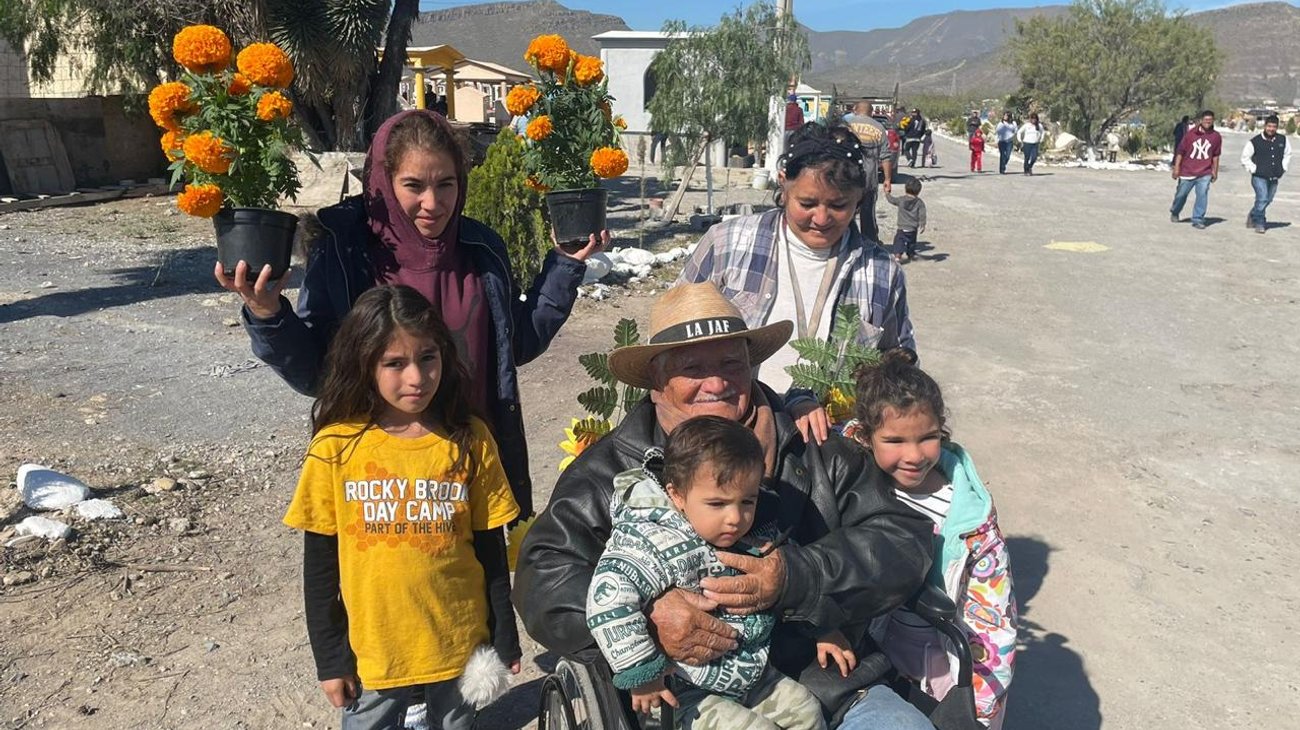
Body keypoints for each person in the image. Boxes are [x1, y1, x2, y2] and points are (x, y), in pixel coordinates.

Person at [513, 282, 935, 730]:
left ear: (752, 367)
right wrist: (646, 618)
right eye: (693, 367)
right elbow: (544, 577)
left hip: (825, 679)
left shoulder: (812, 447)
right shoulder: (610, 470)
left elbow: (903, 540)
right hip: (677, 695)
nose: (715, 384)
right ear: (657, 379)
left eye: (731, 363)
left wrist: (801, 578)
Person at [218, 110, 604, 520]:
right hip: (382, 486)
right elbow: (318, 374)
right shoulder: (346, 254)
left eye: (446, 185)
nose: (432, 204)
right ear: (383, 184)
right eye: (413, 186)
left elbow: (517, 344)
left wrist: (564, 266)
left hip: (472, 470)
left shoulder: (481, 249)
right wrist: (267, 312)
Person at [284, 285, 522, 729]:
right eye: (395, 363)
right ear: (364, 364)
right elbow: (319, 567)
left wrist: (504, 639)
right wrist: (330, 660)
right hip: (375, 655)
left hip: (458, 646)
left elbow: (490, 551)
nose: (416, 377)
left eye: (427, 358)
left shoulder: (469, 440)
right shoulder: (336, 447)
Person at [588, 416, 837, 729]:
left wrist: (821, 627)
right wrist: (642, 674)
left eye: (747, 500)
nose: (735, 517)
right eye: (717, 503)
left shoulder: (756, 531)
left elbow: (788, 581)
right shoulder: (649, 540)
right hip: (683, 691)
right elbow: (608, 603)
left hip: (749, 671)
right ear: (677, 495)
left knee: (806, 710)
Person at [678, 122, 916, 443]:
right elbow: (671, 335)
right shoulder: (728, 244)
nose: (821, 218)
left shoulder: (881, 272)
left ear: (859, 199)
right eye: (807, 203)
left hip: (829, 448)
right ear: (783, 185)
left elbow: (898, 365)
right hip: (724, 437)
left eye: (838, 205)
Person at [843, 350, 1017, 730]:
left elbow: (992, 617)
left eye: (928, 438)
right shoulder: (852, 484)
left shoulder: (969, 517)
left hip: (938, 661)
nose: (914, 455)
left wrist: (982, 705)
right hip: (867, 652)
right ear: (863, 436)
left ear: (943, 430)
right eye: (894, 440)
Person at [842, 101, 893, 242]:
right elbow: (885, 156)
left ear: (855, 110)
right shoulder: (879, 128)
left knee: (845, 211)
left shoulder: (846, 125)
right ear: (871, 112)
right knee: (868, 213)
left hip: (846, 179)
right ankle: (869, 244)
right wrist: (887, 179)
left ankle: (846, 242)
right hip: (869, 180)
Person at [1170, 109, 1222, 230]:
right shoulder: (1190, 134)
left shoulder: (1216, 137)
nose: (1207, 122)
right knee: (1181, 195)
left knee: (1202, 194)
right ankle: (1175, 210)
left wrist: (1215, 171)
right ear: (1200, 121)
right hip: (1187, 170)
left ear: (1213, 121)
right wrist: (1176, 168)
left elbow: (1216, 154)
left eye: (1210, 120)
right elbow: (1180, 152)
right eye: (1205, 120)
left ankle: (1198, 218)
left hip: (1205, 172)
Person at [1240, 114, 1291, 234]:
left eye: (1274, 127)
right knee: (1262, 198)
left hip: (1274, 176)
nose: (1271, 129)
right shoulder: (1255, 141)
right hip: (1259, 177)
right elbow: (1245, 157)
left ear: (1277, 127)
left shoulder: (1282, 140)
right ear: (1265, 126)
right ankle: (1259, 222)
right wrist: (1253, 169)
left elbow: (1288, 154)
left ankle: (1253, 214)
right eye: (1269, 126)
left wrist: (1283, 167)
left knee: (1268, 199)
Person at [886, 179, 926, 264]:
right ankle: (911, 254)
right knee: (911, 242)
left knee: (899, 242)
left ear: (905, 189)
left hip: (902, 228)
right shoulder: (919, 202)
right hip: (913, 228)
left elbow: (891, 200)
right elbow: (922, 214)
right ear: (918, 191)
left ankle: (897, 256)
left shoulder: (901, 200)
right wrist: (922, 224)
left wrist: (887, 193)